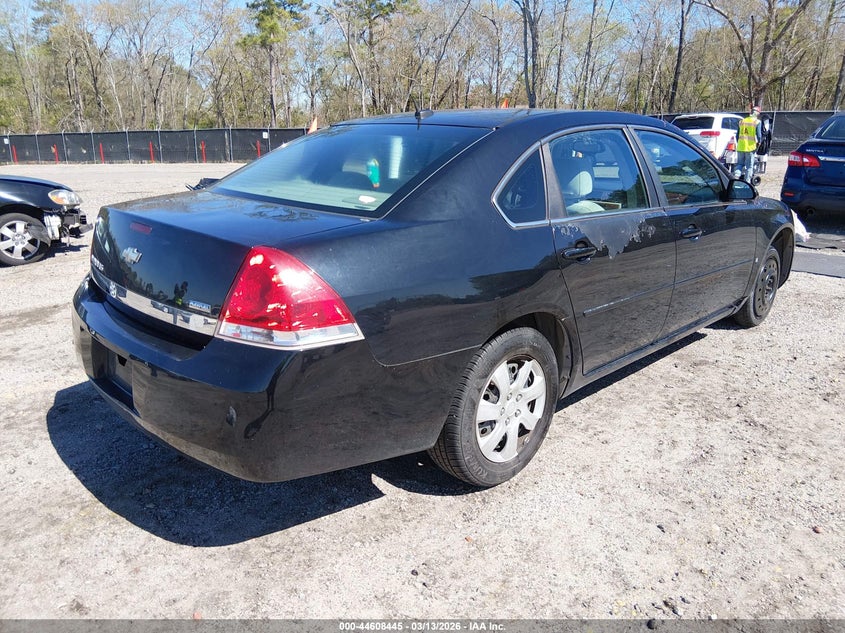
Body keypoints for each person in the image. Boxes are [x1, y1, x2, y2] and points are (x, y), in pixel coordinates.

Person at [735, 106, 762, 181]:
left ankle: (736, 177)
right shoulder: (757, 122)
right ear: (757, 113)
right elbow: (759, 135)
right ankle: (747, 183)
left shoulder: (742, 121)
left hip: (740, 146)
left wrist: (739, 143)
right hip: (750, 147)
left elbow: (737, 135)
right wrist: (759, 143)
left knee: (739, 164)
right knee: (749, 166)